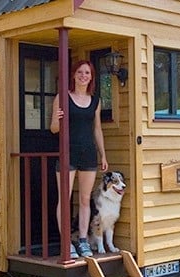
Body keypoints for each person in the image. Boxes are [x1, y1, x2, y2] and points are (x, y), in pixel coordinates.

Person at [50, 60, 108, 258]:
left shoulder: (95, 101)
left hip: (88, 154)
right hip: (68, 154)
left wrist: (103, 154)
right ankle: (67, 243)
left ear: (91, 77)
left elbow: (97, 129)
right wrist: (58, 119)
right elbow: (53, 129)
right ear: (73, 75)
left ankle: (82, 241)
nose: (84, 76)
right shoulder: (63, 97)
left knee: (84, 200)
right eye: (80, 72)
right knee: (64, 199)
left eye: (88, 73)